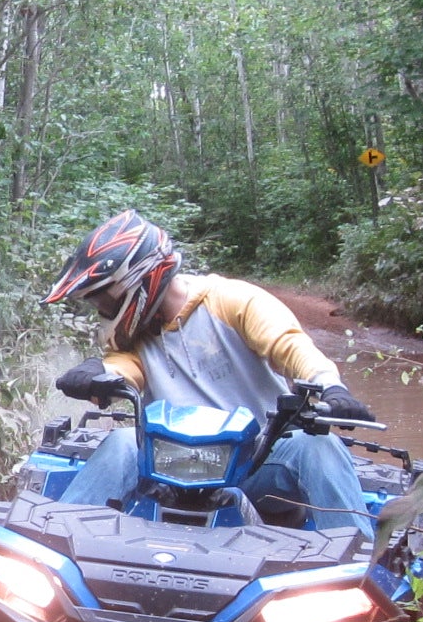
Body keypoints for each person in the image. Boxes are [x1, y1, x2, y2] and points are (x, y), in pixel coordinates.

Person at [42, 210, 378, 531]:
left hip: (256, 457)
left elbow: (289, 345)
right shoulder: (134, 337)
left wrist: (328, 385)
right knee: (122, 442)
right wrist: (97, 372)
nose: (102, 311)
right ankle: (56, 543)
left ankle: (362, 563)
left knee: (317, 445)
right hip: (170, 464)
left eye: (103, 300)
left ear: (136, 279)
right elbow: (124, 367)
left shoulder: (232, 300)